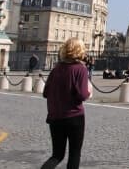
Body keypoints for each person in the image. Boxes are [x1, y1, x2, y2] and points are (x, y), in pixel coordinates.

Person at [41, 38, 91, 169]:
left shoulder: (56, 69)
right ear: (80, 51)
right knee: (74, 154)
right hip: (74, 116)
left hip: (55, 117)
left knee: (57, 155)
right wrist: (89, 92)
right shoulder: (80, 69)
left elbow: (45, 93)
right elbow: (82, 95)